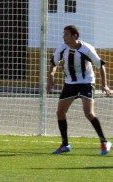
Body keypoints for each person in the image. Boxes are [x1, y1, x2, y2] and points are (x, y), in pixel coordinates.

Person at [46, 25, 112, 155]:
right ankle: (65, 144)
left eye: (66, 34)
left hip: (86, 82)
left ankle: (104, 141)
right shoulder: (62, 48)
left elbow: (100, 66)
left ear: (74, 36)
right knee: (60, 113)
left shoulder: (87, 49)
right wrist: (51, 77)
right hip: (70, 83)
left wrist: (104, 85)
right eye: (63, 34)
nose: (63, 37)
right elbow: (54, 63)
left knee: (88, 113)